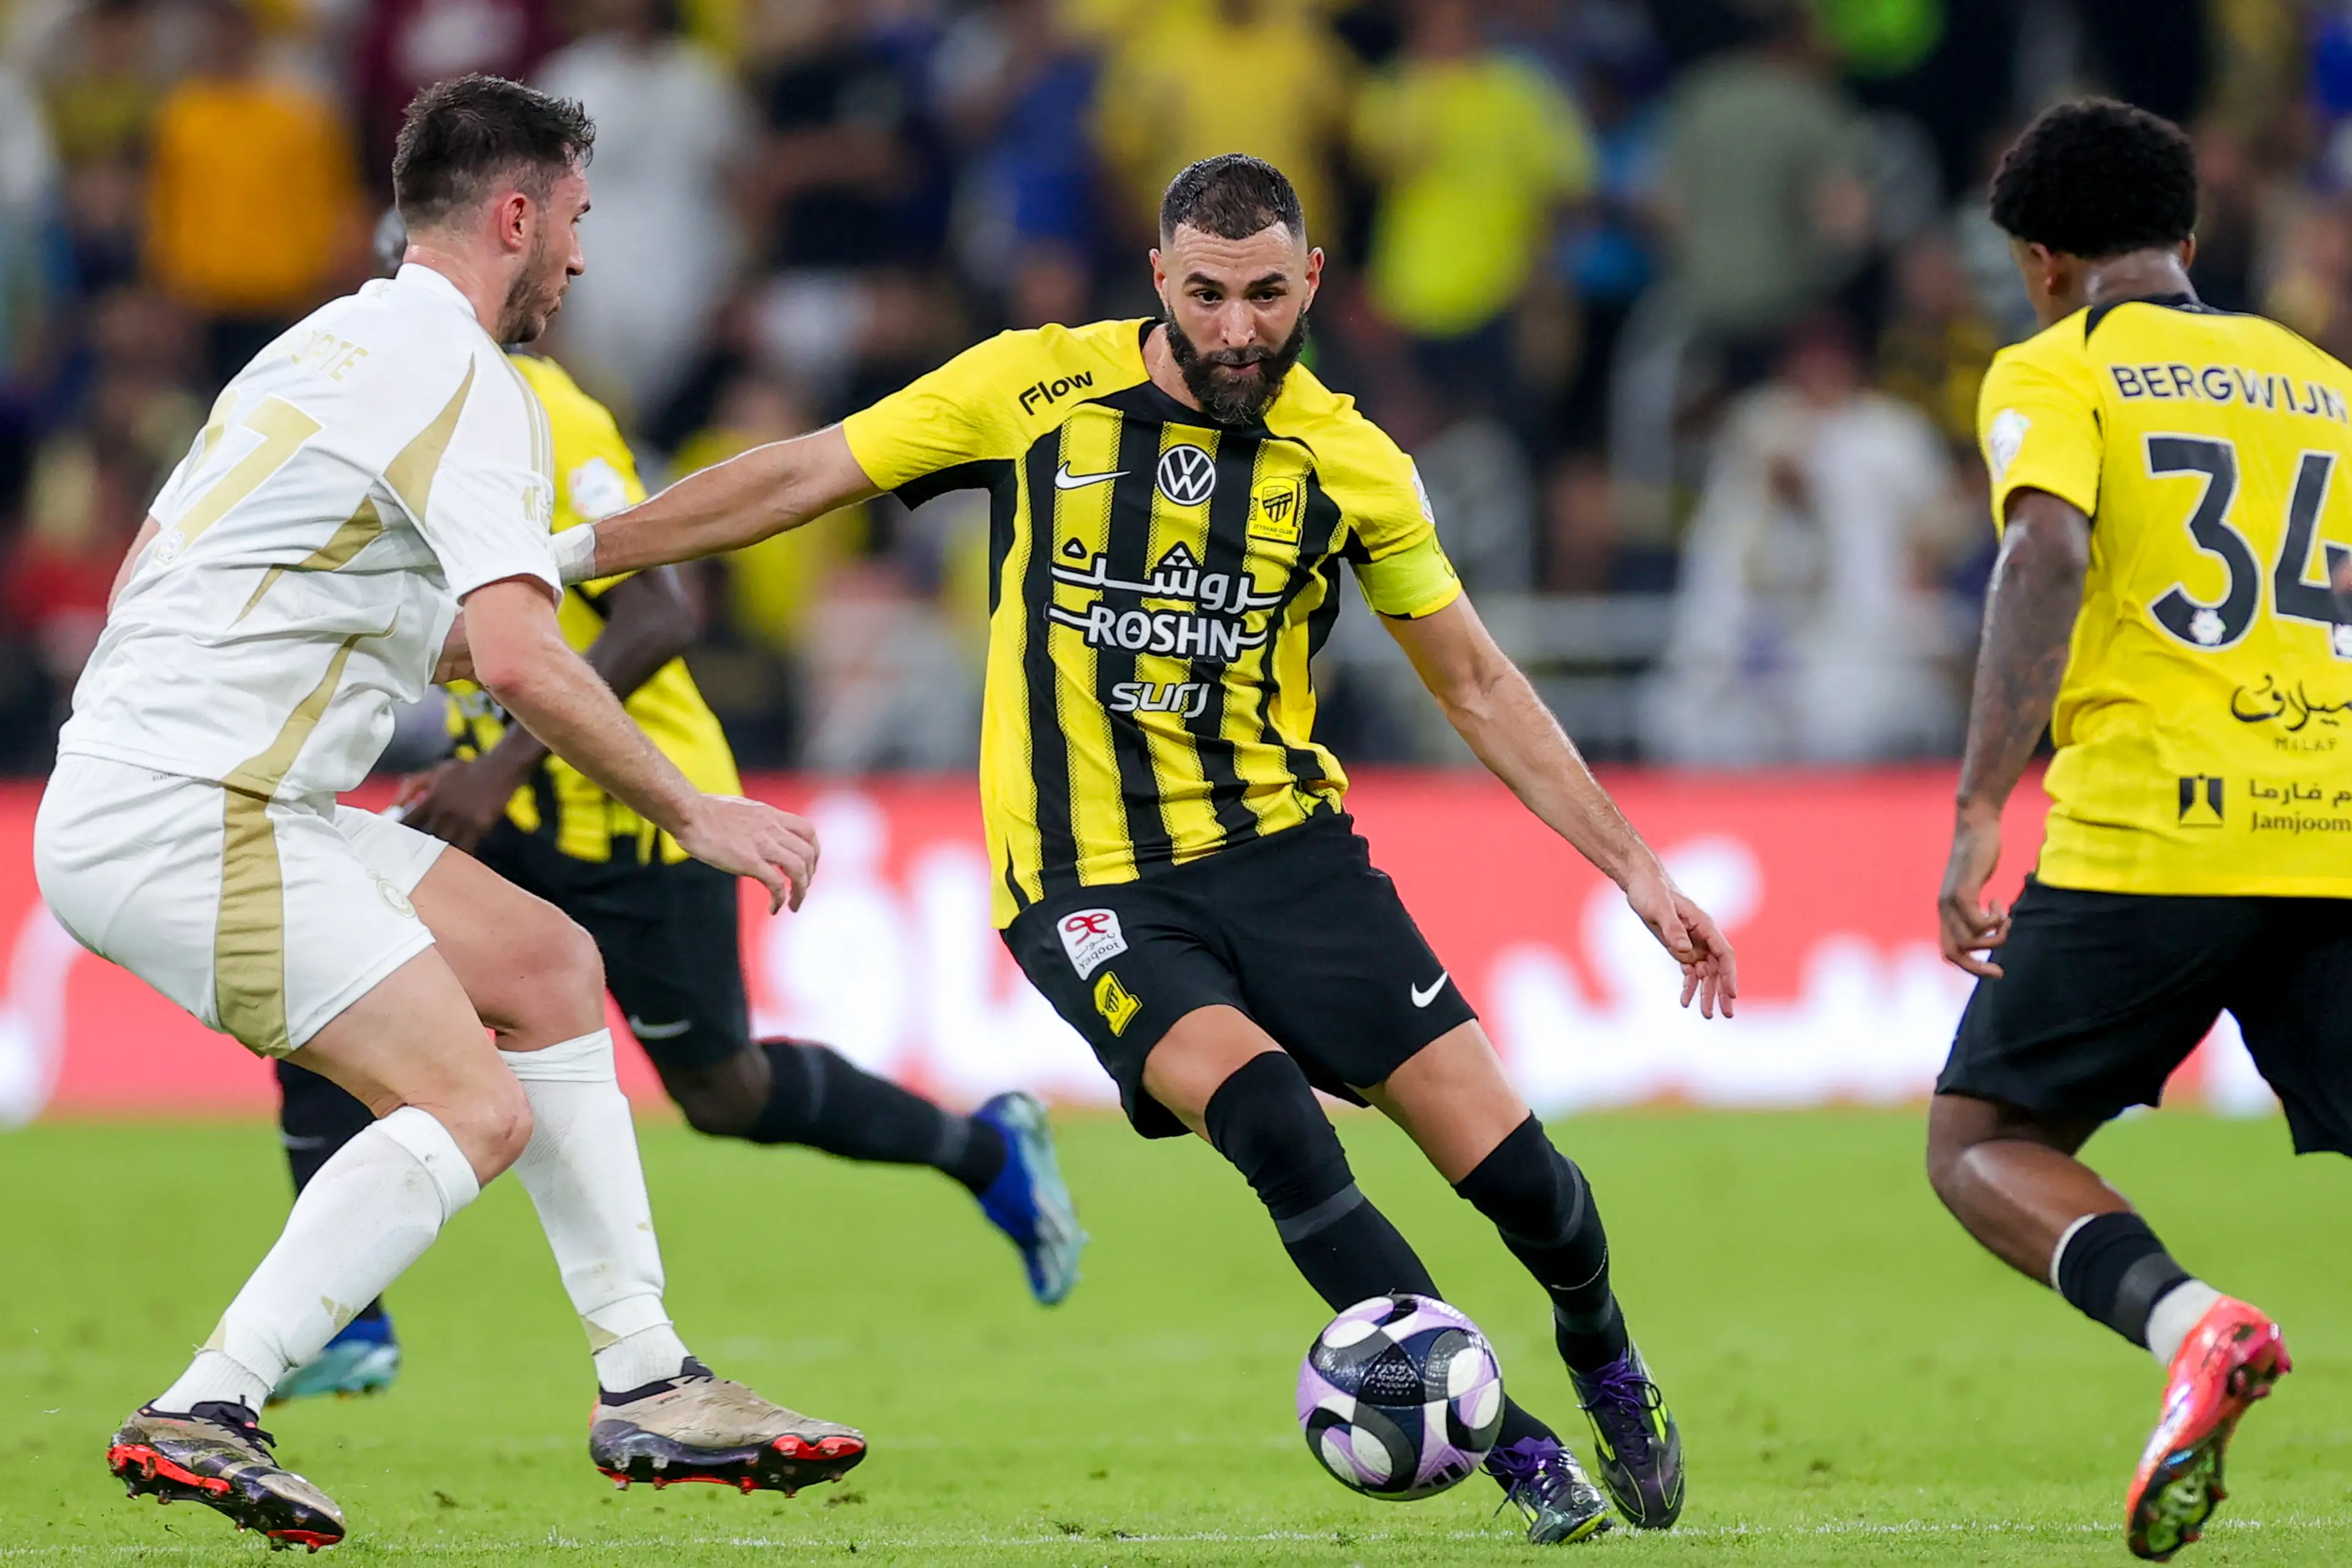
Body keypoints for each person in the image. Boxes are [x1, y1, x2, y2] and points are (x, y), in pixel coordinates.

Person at [534, 153, 1739, 1545]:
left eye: (1268, 295)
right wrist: (570, 558)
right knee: (1277, 1124)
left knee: (1522, 1178)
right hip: (1087, 884)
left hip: (1291, 855)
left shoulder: (1352, 462)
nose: (1239, 329)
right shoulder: (1032, 387)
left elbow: (1472, 682)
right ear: (1160, 278)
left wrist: (1639, 868)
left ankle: (1606, 1356)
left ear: (1312, 286)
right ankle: (1509, 1436)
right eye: (1211, 294)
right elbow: (809, 472)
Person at [34, 76, 862, 1549]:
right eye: (579, 224)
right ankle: (209, 1399)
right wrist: (694, 810)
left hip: (192, 784)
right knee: (466, 1107)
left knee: (549, 967)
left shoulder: (331, 344)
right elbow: (532, 658)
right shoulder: (470, 382)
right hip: (191, 808)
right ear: (519, 215)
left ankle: (648, 1375)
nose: (584, 263)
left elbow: (187, 568)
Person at [270, 236, 1083, 1402]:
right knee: (320, 973)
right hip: (501, 815)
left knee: (723, 1092)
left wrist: (493, 770)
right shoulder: (378, 418)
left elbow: (659, 614)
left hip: (636, 817)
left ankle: (988, 1149)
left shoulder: (545, 414)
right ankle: (352, 1325)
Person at [1931, 99, 2350, 1561]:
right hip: (2335, 823)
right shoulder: (2321, 380)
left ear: (2042, 262)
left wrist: (1983, 802)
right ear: (2191, 237)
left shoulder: (2059, 365)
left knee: (1983, 1137)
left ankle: (2196, 1323)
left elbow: (2046, 547)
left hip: (2152, 831)